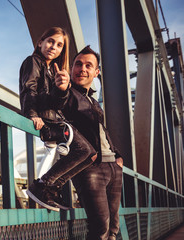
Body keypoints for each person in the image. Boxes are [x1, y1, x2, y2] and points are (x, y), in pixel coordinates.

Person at [19, 27, 98, 211]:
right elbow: (28, 89)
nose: (53, 47)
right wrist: (32, 114)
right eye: (50, 41)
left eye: (59, 45)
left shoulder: (52, 70)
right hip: (48, 121)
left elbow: (56, 102)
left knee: (91, 154)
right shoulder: (33, 62)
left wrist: (61, 88)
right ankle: (43, 185)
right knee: (84, 150)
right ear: (40, 42)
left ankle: (50, 188)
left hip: (56, 118)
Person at [63, 46, 124, 240]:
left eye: (89, 65)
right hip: (89, 167)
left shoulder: (93, 101)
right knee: (100, 228)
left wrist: (117, 155)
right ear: (71, 68)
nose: (82, 69)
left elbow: (101, 131)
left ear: (96, 73)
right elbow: (53, 103)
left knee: (113, 228)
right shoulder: (67, 95)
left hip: (112, 166)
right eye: (78, 64)